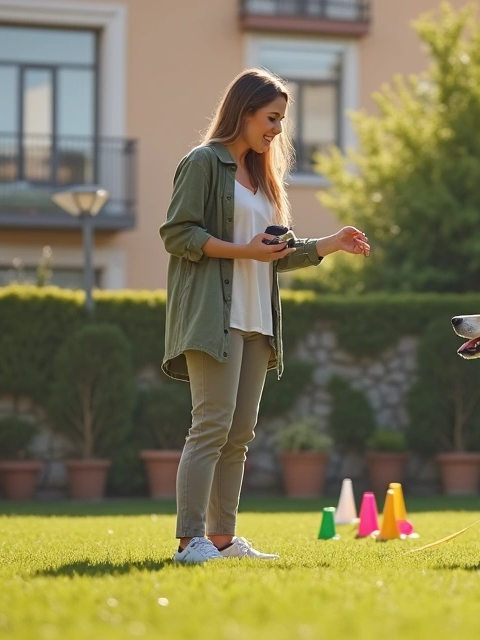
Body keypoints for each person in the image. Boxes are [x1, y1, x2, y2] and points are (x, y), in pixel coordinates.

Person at [159, 69, 371, 564]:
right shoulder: (202, 163)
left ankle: (222, 539)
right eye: (272, 118)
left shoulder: (261, 177)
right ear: (244, 111)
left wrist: (329, 245)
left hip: (258, 319)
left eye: (281, 120)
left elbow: (274, 253)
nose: (278, 129)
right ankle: (189, 540)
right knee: (210, 426)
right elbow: (177, 234)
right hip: (215, 316)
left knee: (239, 434)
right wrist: (243, 252)